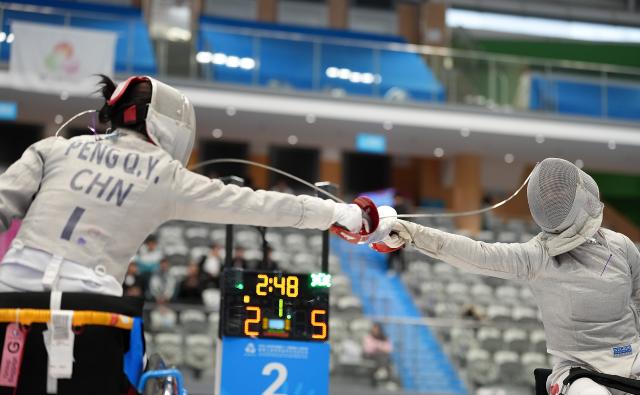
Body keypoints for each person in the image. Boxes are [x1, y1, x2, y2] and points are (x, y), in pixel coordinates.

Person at [0, 75, 368, 395]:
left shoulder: (54, 148)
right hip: (97, 319)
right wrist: (341, 213)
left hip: (8, 306)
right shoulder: (167, 175)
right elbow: (258, 205)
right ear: (171, 127)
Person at [378, 158, 640, 395]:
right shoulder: (539, 256)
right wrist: (411, 232)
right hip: (581, 371)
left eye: (560, 194)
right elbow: (477, 254)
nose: (553, 201)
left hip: (633, 356)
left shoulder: (620, 245)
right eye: (549, 197)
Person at [362, 323, 393, 387]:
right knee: (382, 355)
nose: (375, 331)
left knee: (383, 355)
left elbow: (389, 348)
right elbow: (368, 349)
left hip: (381, 356)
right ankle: (383, 371)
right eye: (374, 329)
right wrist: (380, 346)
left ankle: (381, 371)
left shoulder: (385, 338)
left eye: (376, 329)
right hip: (370, 355)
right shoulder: (368, 337)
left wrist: (377, 346)